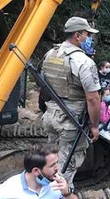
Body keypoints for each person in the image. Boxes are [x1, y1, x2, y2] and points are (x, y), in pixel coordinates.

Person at [41, 17, 101, 189]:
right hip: (71, 120)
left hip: (51, 114)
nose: (89, 38)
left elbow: (44, 86)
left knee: (50, 159)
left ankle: (44, 189)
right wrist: (95, 125)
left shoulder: (51, 54)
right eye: (87, 35)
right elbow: (93, 98)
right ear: (77, 35)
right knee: (66, 167)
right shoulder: (83, 62)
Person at [0, 144, 77, 199]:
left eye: (56, 163)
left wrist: (67, 194)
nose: (57, 168)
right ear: (36, 171)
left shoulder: (56, 185)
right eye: (52, 165)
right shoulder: (8, 190)